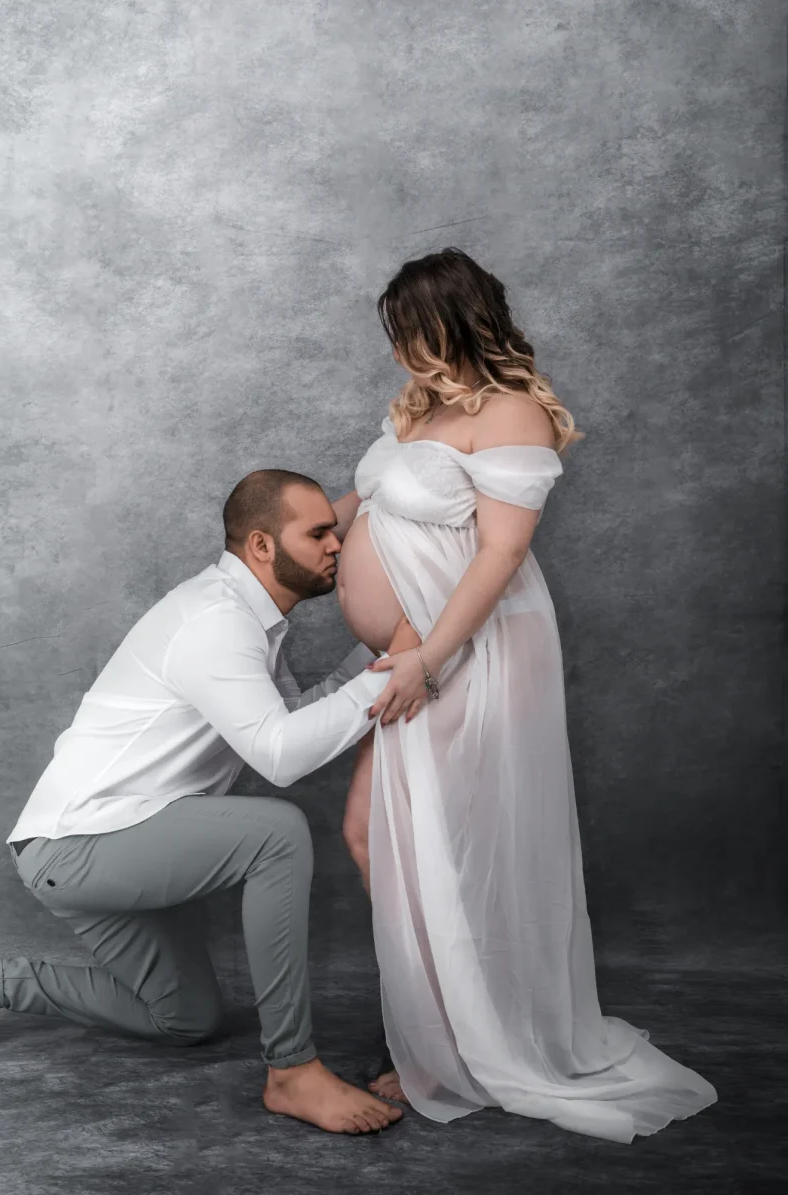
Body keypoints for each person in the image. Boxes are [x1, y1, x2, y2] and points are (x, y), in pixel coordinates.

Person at [330, 247, 718, 1143]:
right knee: (385, 836)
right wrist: (272, 541)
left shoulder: (510, 414)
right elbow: (364, 499)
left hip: (472, 655)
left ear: (455, 322)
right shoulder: (424, 406)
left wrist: (429, 655)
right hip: (415, 654)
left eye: (411, 335)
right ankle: (442, 1035)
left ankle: (464, 1048)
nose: (398, 356)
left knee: (453, 845)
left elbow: (500, 556)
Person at [0, 470, 420, 1136]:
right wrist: (387, 677)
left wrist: (381, 659)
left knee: (184, 1015)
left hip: (96, 839)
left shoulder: (246, 615)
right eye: (318, 532)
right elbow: (280, 756)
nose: (336, 542)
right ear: (260, 545)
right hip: (78, 845)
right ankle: (292, 1069)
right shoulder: (215, 621)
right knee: (277, 833)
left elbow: (288, 718)